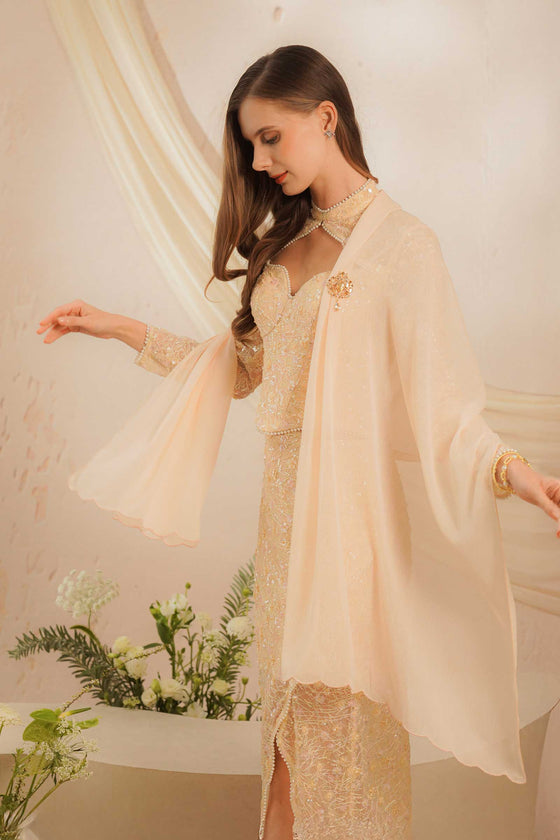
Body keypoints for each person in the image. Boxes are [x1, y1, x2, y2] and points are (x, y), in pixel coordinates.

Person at [37, 45, 560, 840]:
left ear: (325, 116)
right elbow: (237, 370)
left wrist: (515, 471)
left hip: (351, 530)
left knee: (340, 745)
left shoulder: (403, 247)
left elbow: (445, 407)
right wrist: (115, 327)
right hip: (283, 526)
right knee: (283, 749)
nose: (258, 161)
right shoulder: (283, 247)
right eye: (251, 144)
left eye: (270, 137)